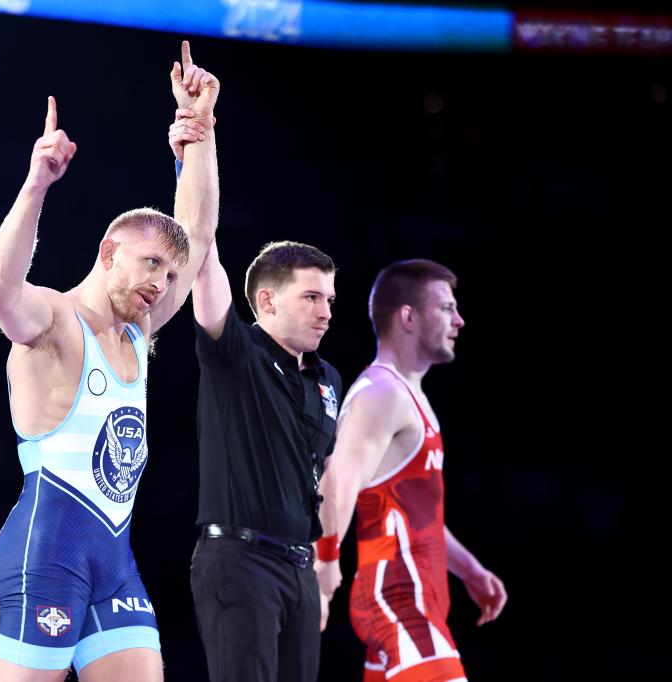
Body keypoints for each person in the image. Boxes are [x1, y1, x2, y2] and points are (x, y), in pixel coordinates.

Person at [0, 42, 219, 681]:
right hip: (46, 553)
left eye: (168, 276)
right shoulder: (56, 321)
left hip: (113, 558)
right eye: (150, 266)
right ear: (109, 252)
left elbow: (195, 241)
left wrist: (200, 132)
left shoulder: (138, 332)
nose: (163, 284)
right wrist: (37, 184)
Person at [168, 115, 342, 682]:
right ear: (266, 302)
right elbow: (199, 246)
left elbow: (325, 477)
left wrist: (326, 562)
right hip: (239, 561)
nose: (326, 311)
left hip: (300, 567)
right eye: (312, 296)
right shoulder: (234, 352)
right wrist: (195, 147)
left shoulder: (329, 380)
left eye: (331, 299)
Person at [315, 259, 508, 682]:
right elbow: (336, 482)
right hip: (400, 601)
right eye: (446, 308)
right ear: (408, 316)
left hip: (412, 599)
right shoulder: (382, 393)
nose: (459, 320)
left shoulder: (404, 393)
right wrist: (325, 566)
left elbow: (414, 513)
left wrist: (470, 569)